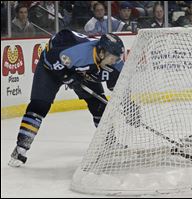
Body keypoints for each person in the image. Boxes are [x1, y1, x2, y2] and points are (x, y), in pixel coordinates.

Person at [8, 29, 125, 167]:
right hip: (51, 66)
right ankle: (21, 148)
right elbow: (50, 58)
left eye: (117, 58)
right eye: (112, 57)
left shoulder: (115, 64)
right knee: (39, 106)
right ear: (101, 51)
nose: (115, 60)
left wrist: (129, 106)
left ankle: (110, 143)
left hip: (80, 70)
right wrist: (66, 77)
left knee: (99, 106)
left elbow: (119, 88)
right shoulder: (78, 52)